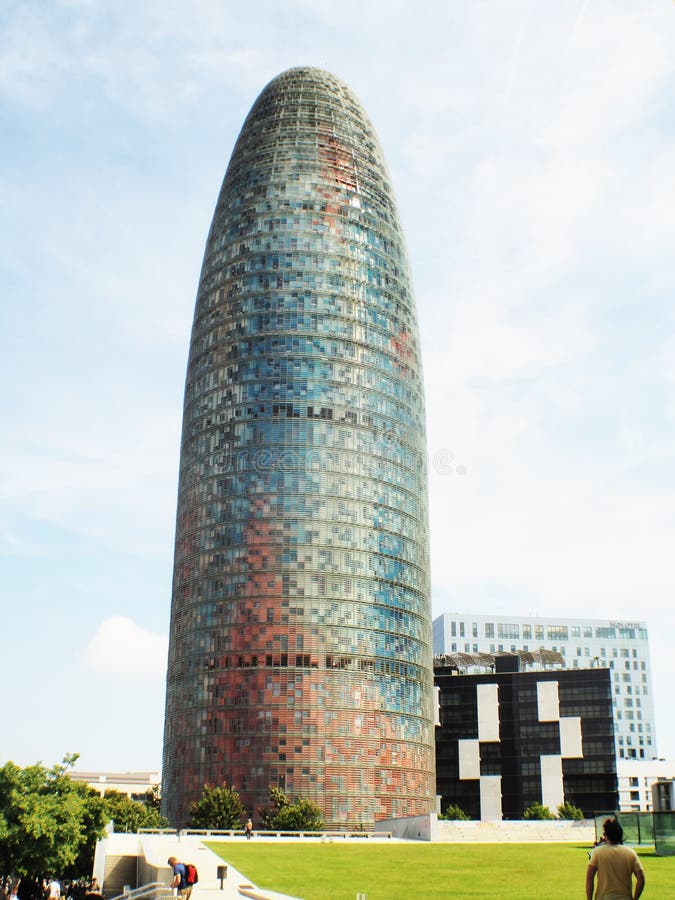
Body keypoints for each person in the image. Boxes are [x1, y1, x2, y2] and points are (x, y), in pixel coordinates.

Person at [586, 818, 645, 900]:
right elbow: (641, 879)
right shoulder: (630, 853)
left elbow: (589, 878)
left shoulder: (597, 853)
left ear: (605, 835)